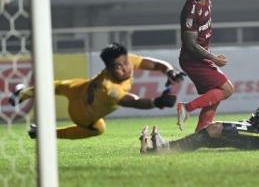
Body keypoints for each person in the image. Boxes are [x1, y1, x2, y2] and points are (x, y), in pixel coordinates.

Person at [140, 46, 259, 153]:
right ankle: (162, 149)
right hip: (252, 127)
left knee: (213, 129)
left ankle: (165, 147)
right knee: (207, 138)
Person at [9, 42, 185, 139]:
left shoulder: (127, 61)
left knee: (59, 85)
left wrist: (170, 71)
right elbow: (133, 101)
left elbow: (154, 64)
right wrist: (157, 102)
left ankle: (22, 94)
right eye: (118, 67)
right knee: (99, 128)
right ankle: (43, 132)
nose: (125, 68)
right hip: (81, 113)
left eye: (125, 63)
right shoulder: (108, 88)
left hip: (81, 88)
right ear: (108, 68)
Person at [177, 0, 234, 132]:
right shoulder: (190, 10)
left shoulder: (208, 1)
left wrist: (210, 56)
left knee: (214, 96)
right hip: (192, 60)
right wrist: (214, 58)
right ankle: (186, 108)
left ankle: (199, 135)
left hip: (201, 58)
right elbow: (190, 44)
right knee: (227, 89)